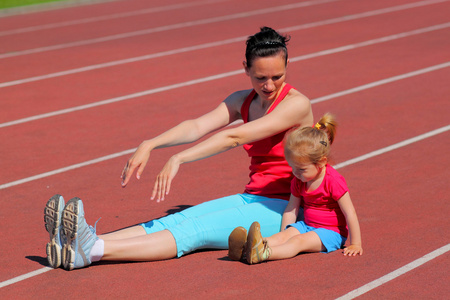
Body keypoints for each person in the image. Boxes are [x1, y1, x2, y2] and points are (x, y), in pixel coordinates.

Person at [44, 26, 314, 270]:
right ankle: (82, 240)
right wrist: (150, 143)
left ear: (288, 66)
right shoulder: (242, 100)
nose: (269, 85)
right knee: (174, 221)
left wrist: (179, 158)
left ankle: (93, 251)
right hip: (253, 197)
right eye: (260, 77)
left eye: (277, 76)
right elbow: (196, 126)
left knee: (196, 230)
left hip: (287, 207)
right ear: (245, 69)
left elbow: (234, 137)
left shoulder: (296, 105)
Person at [228, 114, 363, 264]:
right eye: (292, 168)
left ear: (321, 162)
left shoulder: (333, 181)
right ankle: (245, 249)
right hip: (306, 225)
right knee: (282, 237)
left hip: (331, 232)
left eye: (301, 169)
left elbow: (349, 212)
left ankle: (264, 253)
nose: (296, 173)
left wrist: (356, 243)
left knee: (297, 242)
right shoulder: (299, 180)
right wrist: (284, 233)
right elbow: (291, 209)